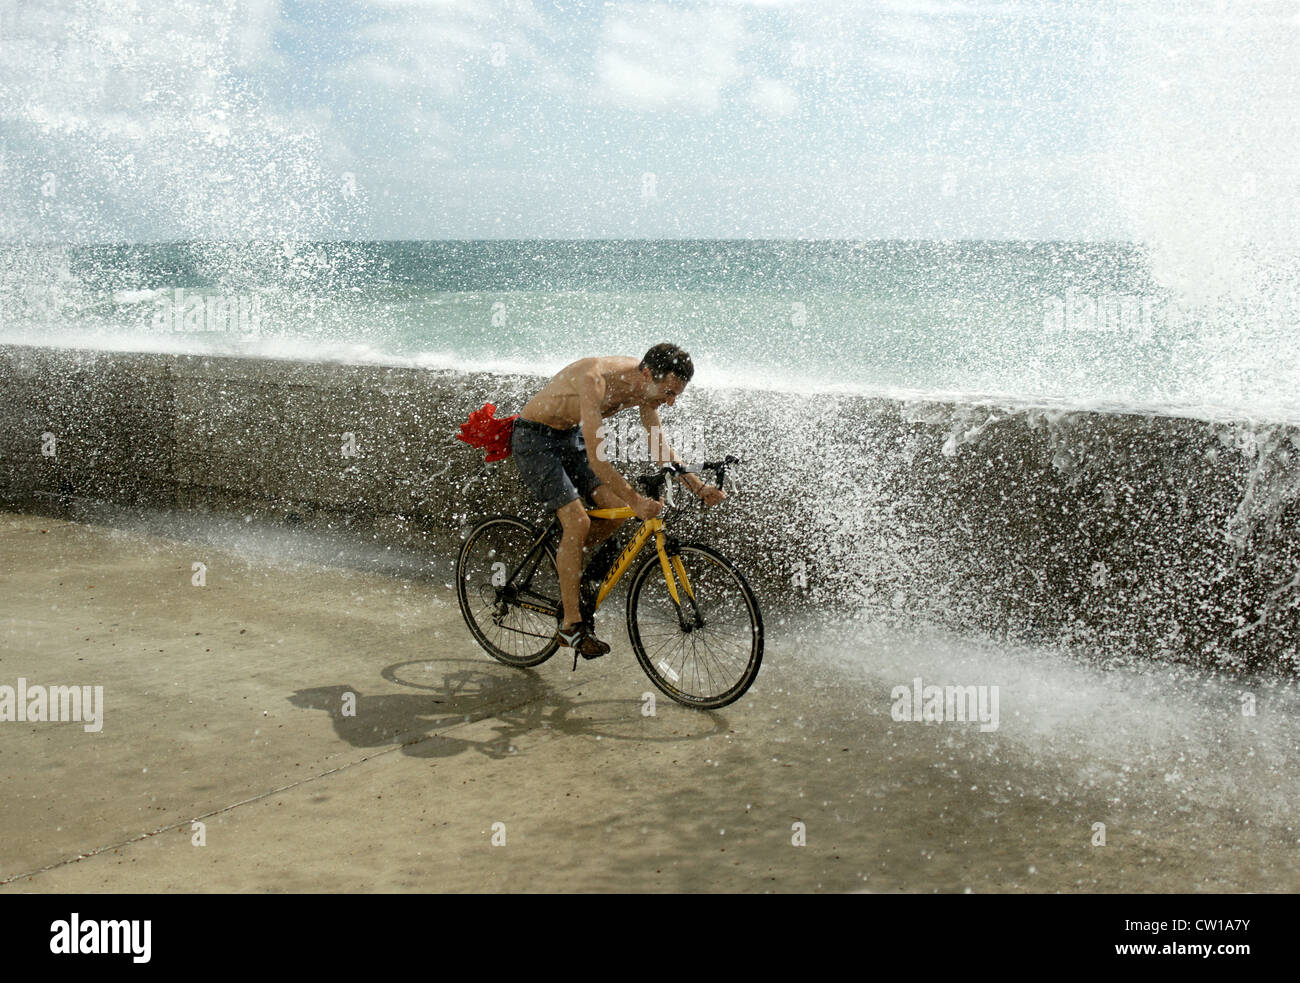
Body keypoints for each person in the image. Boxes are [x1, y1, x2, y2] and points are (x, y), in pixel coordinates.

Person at [511, 343, 726, 659]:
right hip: (535, 439)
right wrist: (638, 500)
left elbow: (658, 442)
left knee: (618, 513)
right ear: (648, 374)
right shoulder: (594, 379)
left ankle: (570, 564)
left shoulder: (643, 387)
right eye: (667, 392)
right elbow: (599, 463)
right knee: (579, 521)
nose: (670, 402)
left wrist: (697, 486)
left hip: (570, 437)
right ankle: (570, 626)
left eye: (676, 395)